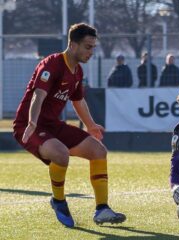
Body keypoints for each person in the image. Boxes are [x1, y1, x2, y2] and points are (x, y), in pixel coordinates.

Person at [13, 23, 126, 228]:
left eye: (93, 47)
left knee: (98, 150)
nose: (91, 51)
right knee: (61, 154)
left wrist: (91, 126)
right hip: (30, 125)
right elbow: (38, 96)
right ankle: (58, 201)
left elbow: (78, 101)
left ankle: (102, 209)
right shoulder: (52, 64)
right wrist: (31, 123)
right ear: (73, 45)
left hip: (53, 125)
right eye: (87, 47)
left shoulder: (77, 71)